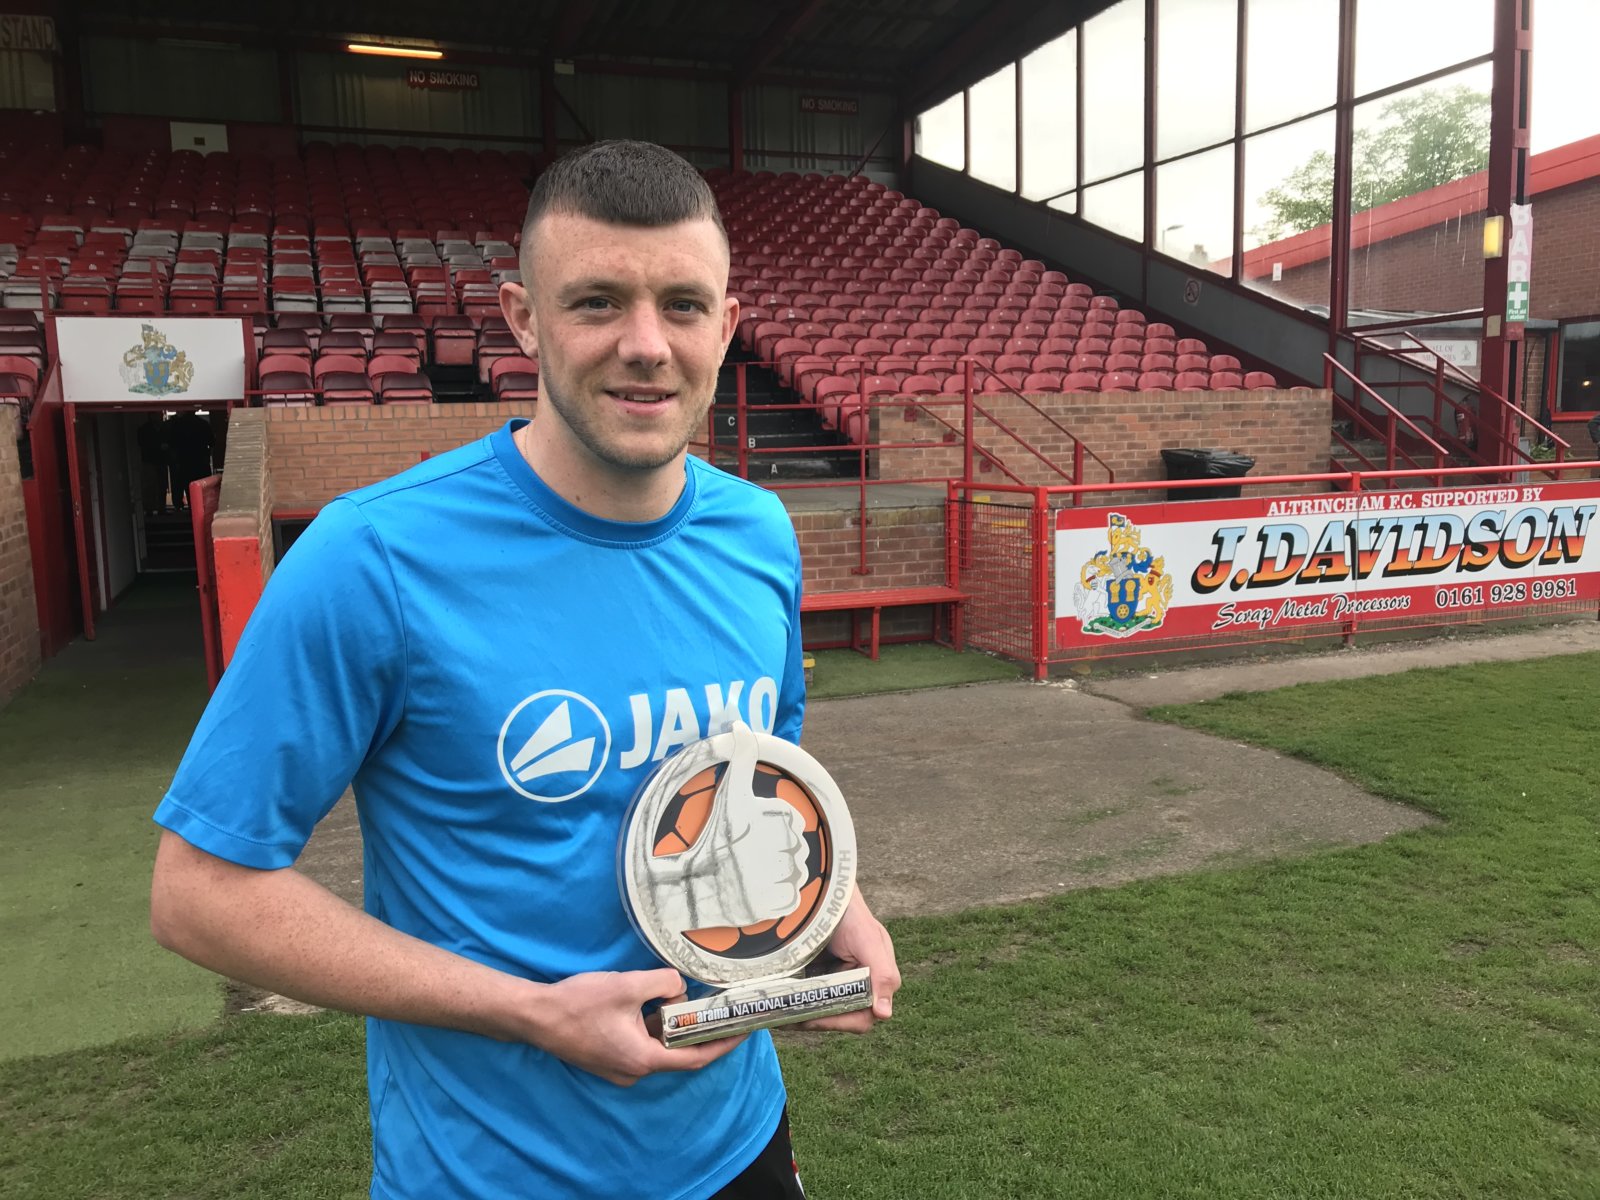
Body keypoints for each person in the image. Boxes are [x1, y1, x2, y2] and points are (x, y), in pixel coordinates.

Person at [148, 139, 900, 1200]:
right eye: (597, 302)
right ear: (522, 318)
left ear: (726, 326)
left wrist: (833, 904)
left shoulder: (759, 534)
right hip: (490, 1176)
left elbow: (756, 773)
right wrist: (532, 1013)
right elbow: (198, 894)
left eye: (683, 306)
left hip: (738, 1146)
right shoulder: (374, 559)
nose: (647, 345)